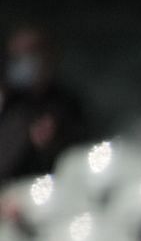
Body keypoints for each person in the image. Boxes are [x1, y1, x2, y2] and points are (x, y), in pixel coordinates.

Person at [0, 25, 88, 182]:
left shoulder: (64, 104)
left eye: (27, 54)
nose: (19, 62)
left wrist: (50, 145)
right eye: (15, 55)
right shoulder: (9, 100)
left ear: (48, 57)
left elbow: (75, 153)